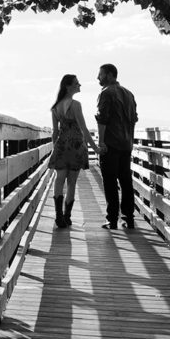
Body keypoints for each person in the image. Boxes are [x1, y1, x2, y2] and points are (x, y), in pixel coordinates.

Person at [48, 74, 102, 229]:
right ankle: (67, 216)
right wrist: (96, 148)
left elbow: (54, 132)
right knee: (71, 182)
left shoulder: (55, 107)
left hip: (61, 146)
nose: (80, 85)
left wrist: (55, 149)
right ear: (68, 86)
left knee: (59, 179)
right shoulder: (76, 105)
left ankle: (59, 217)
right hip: (76, 146)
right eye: (77, 83)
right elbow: (84, 130)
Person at [95, 63, 139, 229]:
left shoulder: (106, 93)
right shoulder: (129, 94)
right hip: (126, 143)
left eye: (101, 74)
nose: (98, 77)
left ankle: (112, 219)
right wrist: (131, 140)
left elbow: (102, 118)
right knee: (126, 181)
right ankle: (128, 218)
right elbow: (134, 119)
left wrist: (101, 142)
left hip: (111, 143)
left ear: (110, 75)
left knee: (110, 181)